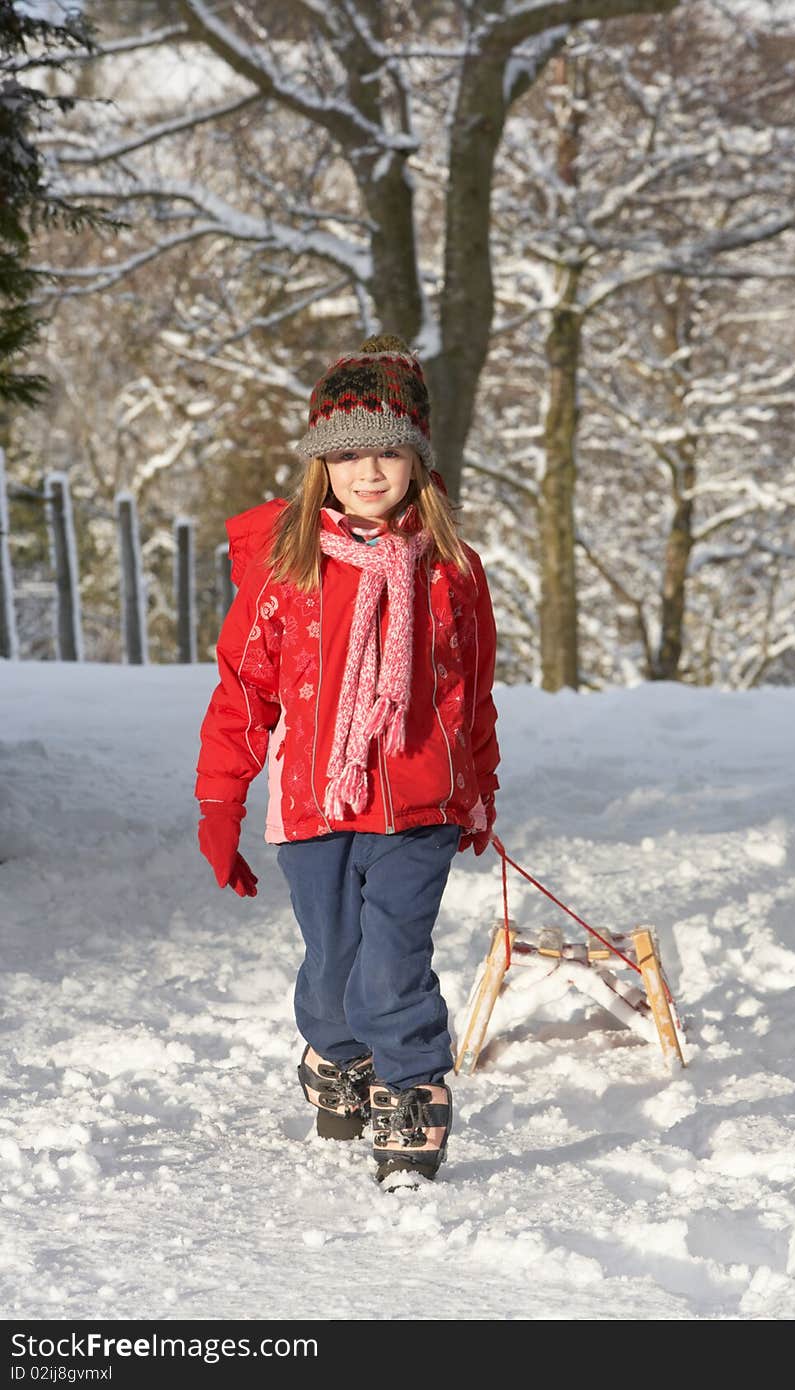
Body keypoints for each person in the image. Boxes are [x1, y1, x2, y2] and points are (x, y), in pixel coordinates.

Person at [194, 333, 501, 1190]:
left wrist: (478, 788)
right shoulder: (286, 570)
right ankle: (336, 1054)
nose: (370, 472)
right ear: (321, 464)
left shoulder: (451, 570)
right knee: (332, 974)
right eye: (349, 453)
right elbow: (242, 693)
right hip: (315, 807)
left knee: (392, 964)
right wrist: (221, 804)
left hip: (418, 807)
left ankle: (411, 1089)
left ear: (417, 459)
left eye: (388, 452)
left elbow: (472, 693)